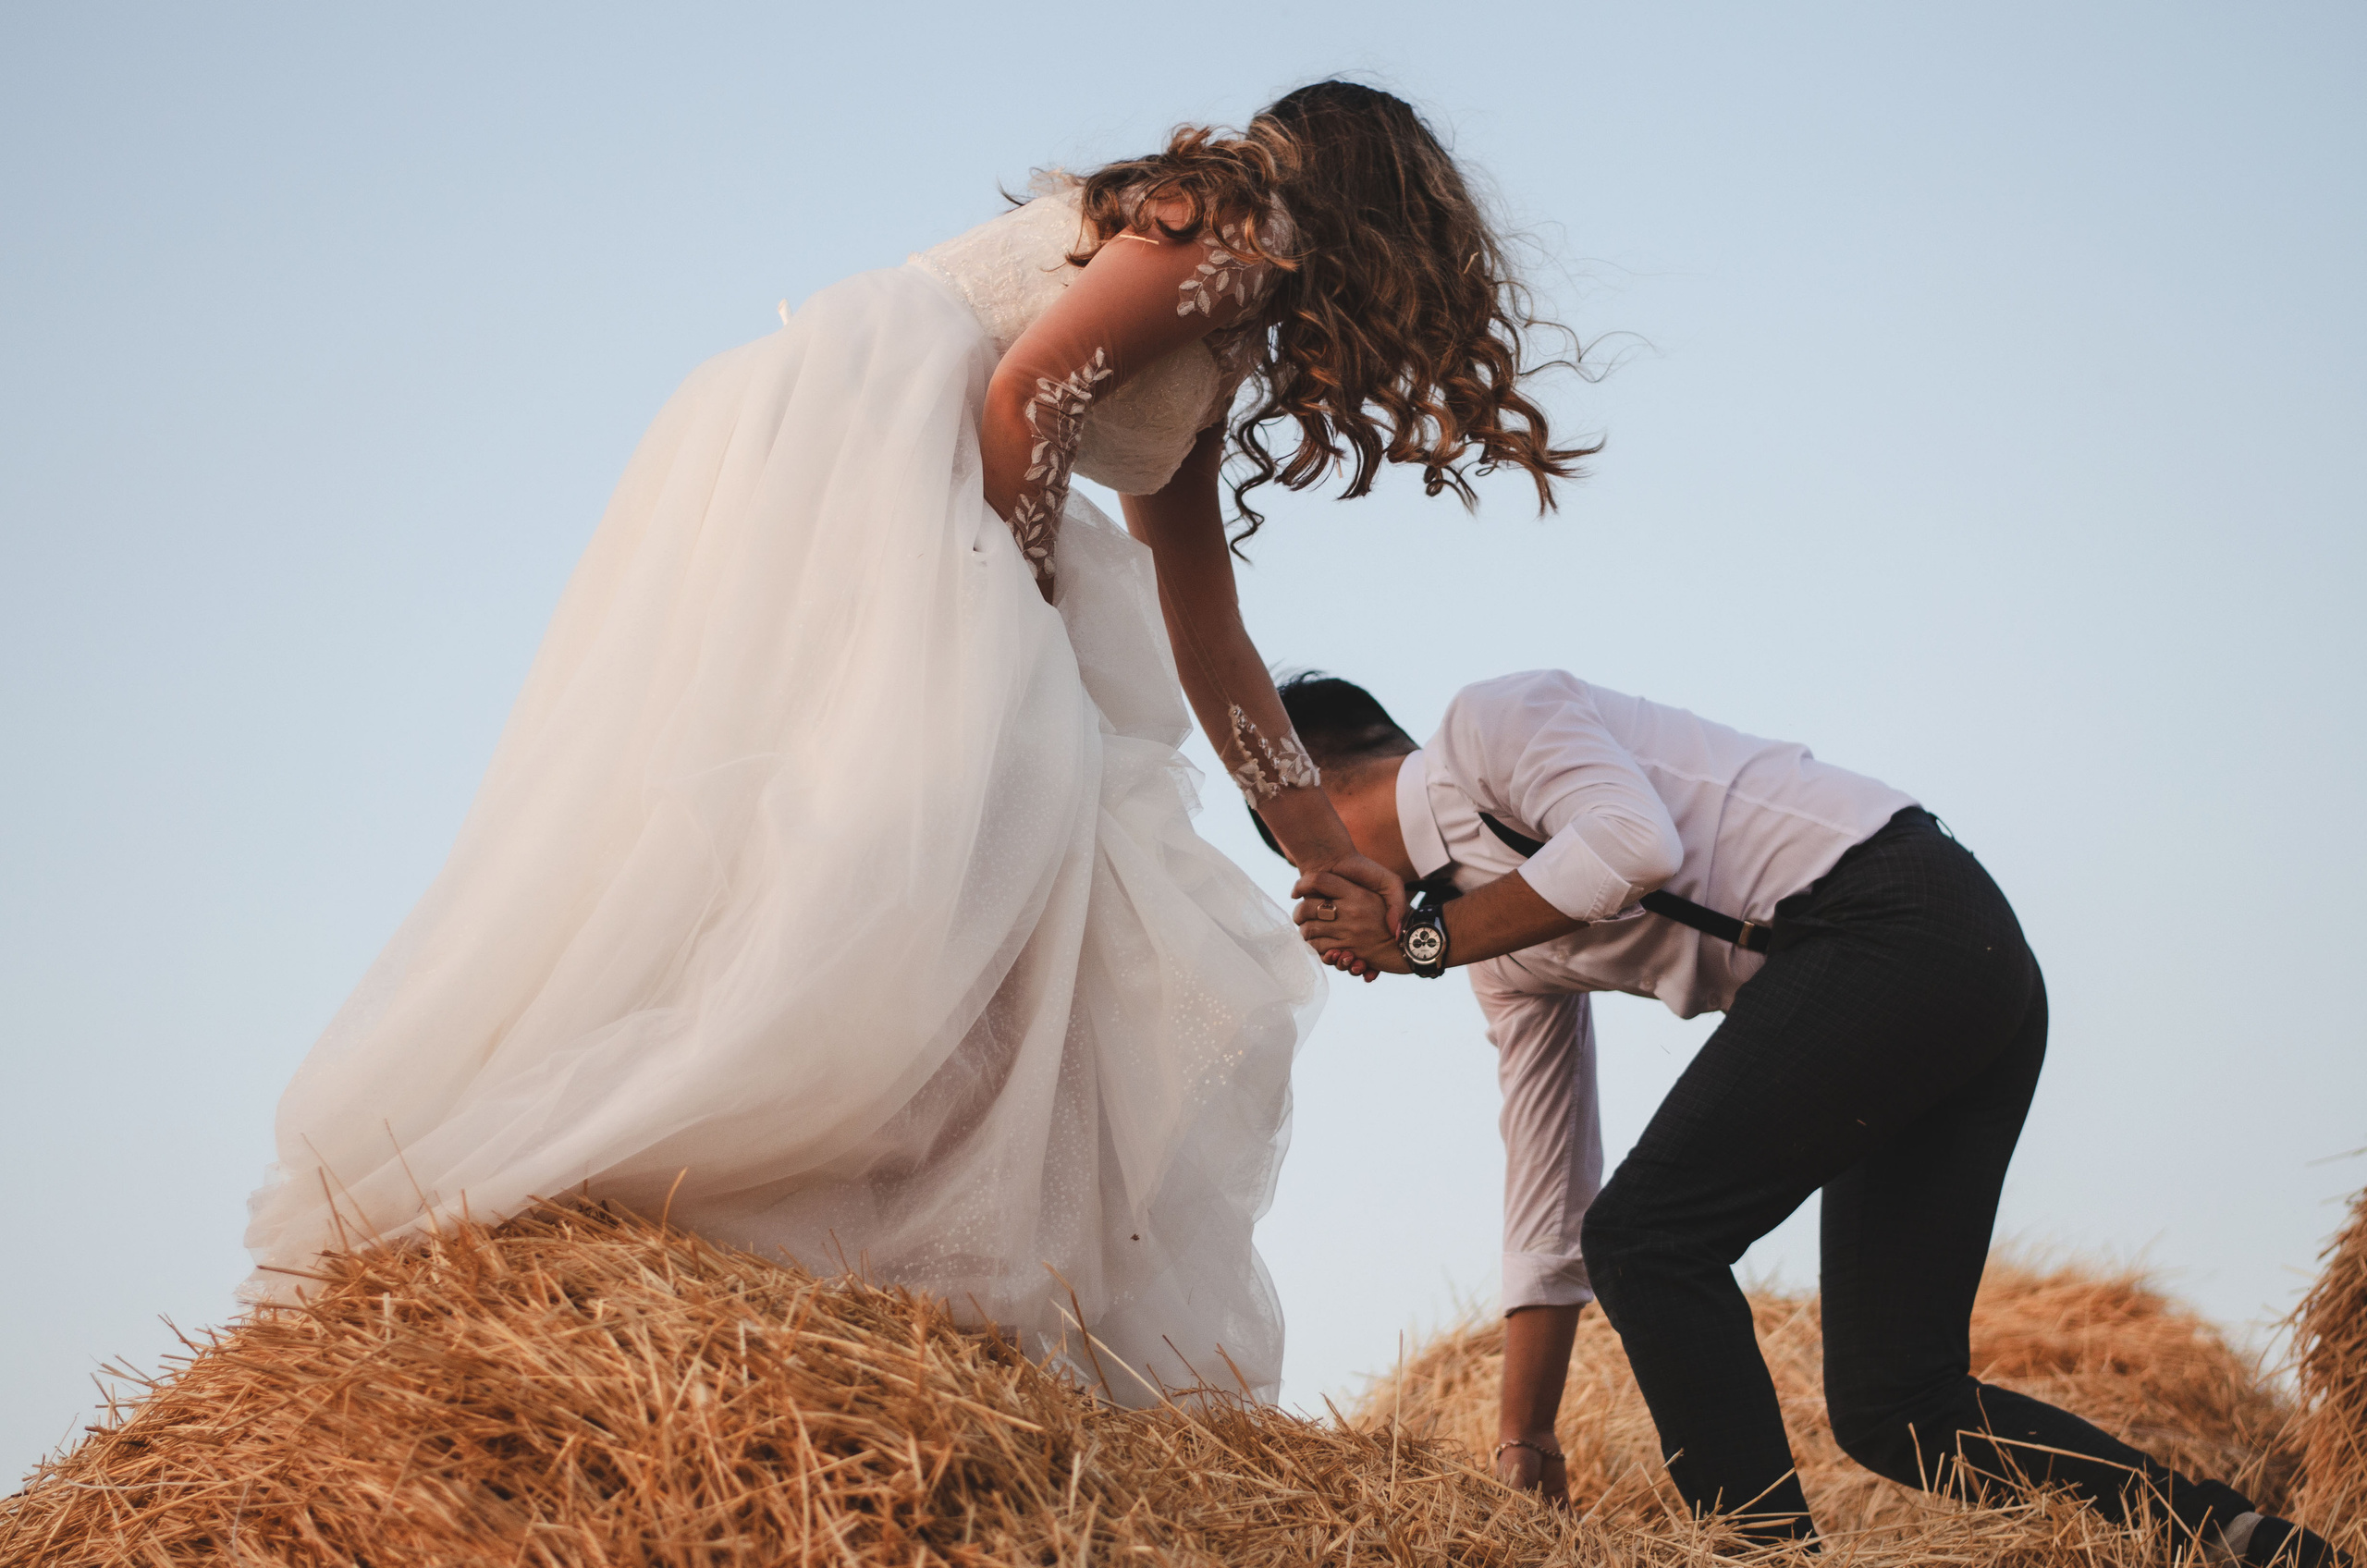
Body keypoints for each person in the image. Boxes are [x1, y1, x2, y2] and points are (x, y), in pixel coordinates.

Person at [239, 83, 1589, 1403]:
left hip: (953, 485)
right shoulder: (1234, 243)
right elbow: (1031, 394)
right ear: (1384, 219)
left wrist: (1322, 853)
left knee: (1013, 864)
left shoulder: (1225, 312)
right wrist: (1020, 614)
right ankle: (703, 1173)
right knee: (988, 828)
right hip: (880, 472)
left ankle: (883, 1254)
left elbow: (1206, 628)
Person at [1267, 670, 2348, 1565]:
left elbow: (1626, 842)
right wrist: (1525, 1434)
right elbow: (1551, 1199)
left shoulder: (1489, 727)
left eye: (1303, 857)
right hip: (1907, 980)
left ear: (1319, 793)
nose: (1315, 891)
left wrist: (1417, 944)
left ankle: (1761, 1558)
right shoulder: (1496, 947)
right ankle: (2241, 1537)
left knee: (1652, 1236)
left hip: (1906, 917)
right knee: (1897, 1407)